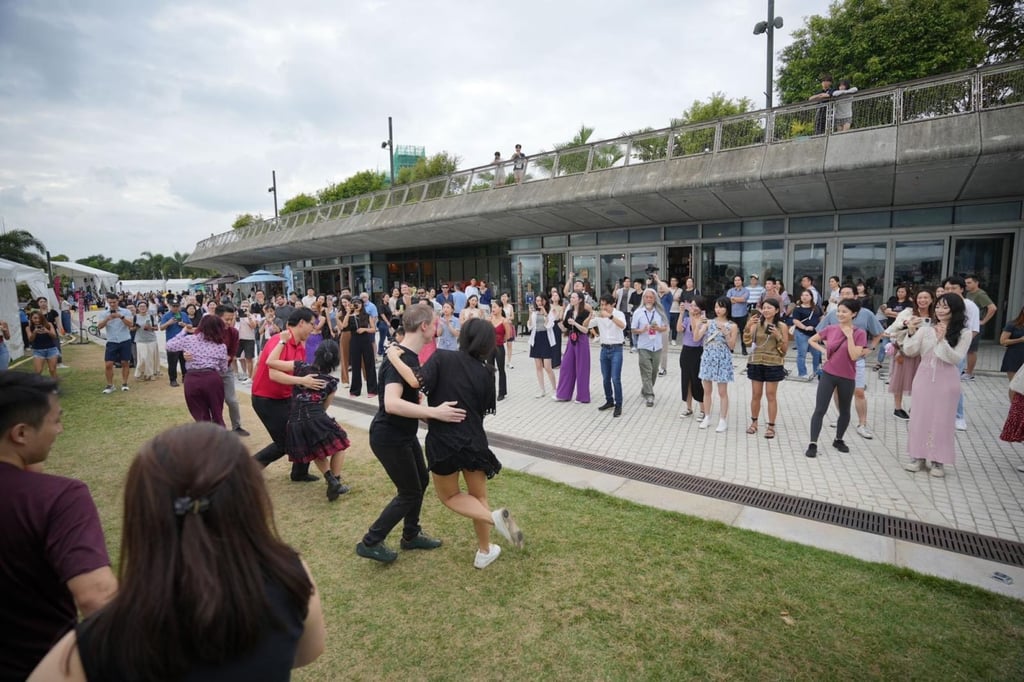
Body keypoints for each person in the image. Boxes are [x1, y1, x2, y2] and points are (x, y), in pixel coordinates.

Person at [29, 422, 325, 681]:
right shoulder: (289, 577)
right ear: (249, 500)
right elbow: (308, 652)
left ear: (142, 511)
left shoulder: (97, 643)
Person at [1, 373, 116, 680]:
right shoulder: (58, 498)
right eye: (55, 421)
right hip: (38, 666)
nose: (59, 430)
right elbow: (97, 597)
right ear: (21, 433)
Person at [386, 318, 524, 569]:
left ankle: (493, 521)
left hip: (443, 441)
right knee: (479, 496)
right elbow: (481, 412)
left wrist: (392, 355)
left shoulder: (442, 358)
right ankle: (484, 551)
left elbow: (416, 381)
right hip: (474, 441)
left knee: (450, 496)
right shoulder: (487, 372)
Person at [356, 304, 467, 564]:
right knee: (409, 492)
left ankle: (410, 534)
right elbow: (392, 404)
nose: (439, 325)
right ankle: (370, 541)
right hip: (388, 437)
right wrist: (434, 413)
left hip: (402, 435)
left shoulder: (406, 355)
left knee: (420, 482)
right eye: (436, 321)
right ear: (424, 327)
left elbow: (412, 390)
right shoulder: (400, 358)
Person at [266, 337, 351, 500]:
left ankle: (331, 481)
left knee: (315, 449)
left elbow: (271, 361)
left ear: (317, 354)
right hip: (316, 416)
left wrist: (282, 341)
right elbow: (324, 407)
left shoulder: (300, 367)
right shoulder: (331, 382)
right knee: (341, 443)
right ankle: (336, 481)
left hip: (294, 422)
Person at [901, 294, 972, 477]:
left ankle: (938, 461)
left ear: (955, 310)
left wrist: (943, 340)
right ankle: (918, 456)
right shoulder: (926, 330)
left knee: (942, 420)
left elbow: (955, 358)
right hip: (923, 377)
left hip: (947, 380)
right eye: (938, 306)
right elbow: (910, 350)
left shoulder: (965, 333)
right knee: (919, 417)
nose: (939, 310)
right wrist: (910, 332)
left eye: (945, 307)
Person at [252, 309, 323, 483]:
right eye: (311, 325)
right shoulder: (279, 341)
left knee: (302, 432)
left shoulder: (300, 345)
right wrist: (302, 380)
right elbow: (273, 375)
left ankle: (299, 473)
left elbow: (298, 371)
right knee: (285, 443)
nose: (313, 329)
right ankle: (248, 468)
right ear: (301, 323)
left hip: (286, 396)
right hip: (266, 399)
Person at [816, 285, 885, 439]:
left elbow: (878, 333)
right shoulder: (834, 313)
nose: (845, 296)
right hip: (835, 362)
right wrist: (828, 348)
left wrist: (871, 348)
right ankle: (842, 417)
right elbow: (820, 332)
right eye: (842, 293)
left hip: (856, 360)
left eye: (848, 293)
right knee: (836, 392)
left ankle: (862, 424)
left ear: (855, 296)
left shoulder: (866, 314)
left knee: (859, 391)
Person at [805, 299, 869, 458]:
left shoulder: (859, 333)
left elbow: (854, 356)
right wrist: (823, 350)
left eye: (844, 311)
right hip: (829, 374)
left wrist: (849, 337)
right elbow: (811, 340)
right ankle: (813, 443)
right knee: (820, 409)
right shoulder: (831, 328)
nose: (840, 314)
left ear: (853, 314)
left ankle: (839, 439)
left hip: (847, 376)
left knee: (845, 410)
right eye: (839, 311)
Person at [165, 314, 229, 426]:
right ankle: (221, 440)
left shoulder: (189, 340)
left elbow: (169, 346)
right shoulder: (221, 346)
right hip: (212, 379)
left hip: (192, 379)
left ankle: (205, 439)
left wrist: (183, 331)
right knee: (217, 414)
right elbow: (224, 368)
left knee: (200, 416)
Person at [743, 299, 789, 439]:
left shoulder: (781, 326)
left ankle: (771, 426)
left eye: (770, 308)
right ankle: (754, 422)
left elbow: (784, 350)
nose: (766, 310)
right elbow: (747, 343)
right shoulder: (756, 324)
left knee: (771, 395)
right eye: (764, 308)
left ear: (776, 310)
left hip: (774, 363)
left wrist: (778, 335)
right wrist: (747, 326)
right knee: (756, 394)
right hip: (756, 362)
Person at [886, 289, 935, 420]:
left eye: (926, 297)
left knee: (921, 381)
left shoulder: (935, 315)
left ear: (931, 300)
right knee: (900, 379)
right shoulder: (908, 312)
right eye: (920, 298)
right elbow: (895, 326)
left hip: (924, 353)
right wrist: (906, 323)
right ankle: (897, 408)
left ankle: (916, 407)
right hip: (905, 351)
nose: (922, 300)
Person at [695, 297, 737, 432]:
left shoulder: (733, 325)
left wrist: (725, 333)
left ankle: (723, 420)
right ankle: (707, 416)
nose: (718, 310)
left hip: (723, 357)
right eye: (716, 307)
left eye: (721, 307)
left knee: (722, 391)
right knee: (707, 390)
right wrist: (697, 325)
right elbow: (697, 338)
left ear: (727, 308)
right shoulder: (709, 322)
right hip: (708, 355)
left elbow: (732, 346)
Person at [552, 292, 592, 403]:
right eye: (571, 297)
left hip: (582, 340)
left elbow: (585, 330)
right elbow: (565, 329)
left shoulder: (585, 313)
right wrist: (557, 320)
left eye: (574, 297)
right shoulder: (569, 312)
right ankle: (563, 394)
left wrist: (575, 323)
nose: (572, 299)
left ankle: (582, 397)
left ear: (580, 299)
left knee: (582, 368)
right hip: (571, 340)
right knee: (566, 366)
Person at [590, 294, 627, 417]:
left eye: (606, 304)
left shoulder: (619, 314)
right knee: (605, 378)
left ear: (613, 304)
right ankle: (609, 401)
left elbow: (623, 326)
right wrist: (590, 315)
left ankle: (619, 404)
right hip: (604, 349)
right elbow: (587, 325)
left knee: (615, 378)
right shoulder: (600, 315)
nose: (603, 307)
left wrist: (610, 317)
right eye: (601, 304)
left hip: (616, 349)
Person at [632, 288, 668, 408]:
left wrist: (658, 328)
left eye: (651, 297)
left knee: (653, 372)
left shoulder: (659, 312)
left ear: (654, 299)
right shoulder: (638, 312)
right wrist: (642, 330)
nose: (648, 299)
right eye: (646, 297)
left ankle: (645, 389)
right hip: (644, 346)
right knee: (646, 371)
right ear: (643, 298)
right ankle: (650, 395)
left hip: (656, 346)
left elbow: (665, 327)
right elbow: (633, 330)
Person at [97, 292, 134, 394]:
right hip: (112, 341)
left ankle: (125, 383)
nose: (112, 304)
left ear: (118, 301)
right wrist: (107, 318)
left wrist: (120, 317)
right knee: (108, 364)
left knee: (125, 362)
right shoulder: (104, 313)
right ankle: (110, 385)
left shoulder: (125, 311)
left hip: (124, 339)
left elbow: (131, 324)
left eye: (114, 302)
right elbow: (99, 327)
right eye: (110, 302)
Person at [964, 274, 998, 380]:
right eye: (966, 283)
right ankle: (966, 371)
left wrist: (983, 321)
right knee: (966, 348)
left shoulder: (980, 294)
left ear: (976, 283)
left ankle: (969, 373)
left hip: (976, 325)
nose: (967, 285)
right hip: (969, 324)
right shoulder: (969, 294)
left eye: (969, 283)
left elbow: (992, 308)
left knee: (971, 350)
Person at [676, 297, 705, 419]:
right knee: (686, 380)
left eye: (696, 305)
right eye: (691, 305)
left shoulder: (703, 320)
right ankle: (688, 408)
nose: (693, 308)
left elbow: (695, 336)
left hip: (697, 352)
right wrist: (681, 314)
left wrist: (693, 317)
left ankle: (703, 409)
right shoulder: (687, 319)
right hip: (685, 351)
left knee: (696, 381)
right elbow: (678, 329)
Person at [346, 298, 378, 398]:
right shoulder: (350, 316)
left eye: (359, 303)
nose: (357, 305)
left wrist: (364, 329)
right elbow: (344, 326)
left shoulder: (367, 315)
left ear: (362, 305)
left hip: (366, 341)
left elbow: (373, 329)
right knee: (355, 366)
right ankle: (355, 391)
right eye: (355, 303)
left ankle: (372, 390)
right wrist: (348, 313)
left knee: (370, 364)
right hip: (354, 341)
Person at [876, 284, 913, 370]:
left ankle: (897, 365)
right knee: (883, 345)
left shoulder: (909, 303)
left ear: (906, 293)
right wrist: (900, 315)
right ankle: (879, 362)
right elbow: (887, 312)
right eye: (899, 291)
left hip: (901, 330)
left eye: (902, 292)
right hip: (890, 327)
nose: (900, 293)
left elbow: (907, 316)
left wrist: (894, 313)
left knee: (899, 348)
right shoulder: (893, 300)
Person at [528, 294, 558, 398]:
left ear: (545, 301)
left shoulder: (551, 311)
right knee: (538, 366)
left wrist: (545, 314)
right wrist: (530, 315)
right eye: (537, 301)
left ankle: (555, 389)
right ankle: (542, 390)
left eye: (540, 300)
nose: (538, 303)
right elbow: (530, 326)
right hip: (536, 338)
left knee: (548, 367)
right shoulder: (534, 312)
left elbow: (549, 325)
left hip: (546, 339)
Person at [791, 289, 823, 381]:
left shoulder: (816, 308)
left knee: (817, 353)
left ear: (811, 297)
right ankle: (802, 373)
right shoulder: (798, 308)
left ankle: (817, 372)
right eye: (802, 295)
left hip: (814, 334)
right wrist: (805, 327)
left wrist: (820, 329)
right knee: (802, 354)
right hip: (802, 333)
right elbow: (795, 321)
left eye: (807, 295)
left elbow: (821, 317)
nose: (804, 297)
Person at [488, 300, 513, 400]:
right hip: (489, 347)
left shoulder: (504, 321)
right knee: (489, 369)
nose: (493, 309)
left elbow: (508, 335)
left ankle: (502, 392)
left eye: (495, 307)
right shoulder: (489, 319)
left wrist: (501, 340)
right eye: (492, 307)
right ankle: (490, 391)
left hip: (499, 347)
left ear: (500, 308)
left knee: (501, 369)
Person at [131, 301, 160, 381]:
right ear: (138, 308)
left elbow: (156, 328)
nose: (142, 308)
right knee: (142, 358)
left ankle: (150, 374)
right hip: (140, 340)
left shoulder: (151, 316)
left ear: (147, 308)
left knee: (151, 358)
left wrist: (150, 328)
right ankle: (139, 374)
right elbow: (131, 328)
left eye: (144, 306)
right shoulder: (135, 317)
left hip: (151, 339)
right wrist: (136, 327)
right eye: (141, 306)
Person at [26, 310, 59, 378]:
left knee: (52, 370)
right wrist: (35, 332)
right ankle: (37, 387)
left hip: (51, 349)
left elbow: (54, 336)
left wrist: (47, 331)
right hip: (38, 351)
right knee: (38, 371)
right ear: (31, 319)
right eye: (35, 318)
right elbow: (30, 339)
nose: (37, 320)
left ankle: (54, 386)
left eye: (39, 318)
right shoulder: (28, 328)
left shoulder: (49, 324)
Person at [1000, 306, 1024, 400]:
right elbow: (1003, 341)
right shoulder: (1013, 324)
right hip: (1013, 357)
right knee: (1014, 384)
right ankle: (1013, 408)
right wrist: (1020, 340)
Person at [726, 275, 750, 354]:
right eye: (735, 280)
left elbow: (743, 299)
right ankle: (731, 348)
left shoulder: (746, 290)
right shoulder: (730, 290)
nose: (737, 282)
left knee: (743, 332)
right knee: (731, 332)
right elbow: (728, 301)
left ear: (742, 281)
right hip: (732, 315)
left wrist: (734, 298)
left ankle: (744, 349)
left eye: (739, 280)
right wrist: (737, 299)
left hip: (742, 314)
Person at [549, 289, 564, 368]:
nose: (554, 297)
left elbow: (560, 317)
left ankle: (557, 362)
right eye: (553, 295)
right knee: (549, 343)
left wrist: (556, 314)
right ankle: (549, 361)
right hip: (549, 325)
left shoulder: (561, 307)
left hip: (556, 325)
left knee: (557, 343)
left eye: (556, 295)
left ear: (559, 298)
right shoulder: (548, 306)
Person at [501, 292, 515, 369]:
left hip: (509, 326)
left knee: (509, 344)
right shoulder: (498, 306)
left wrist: (507, 318)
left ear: (508, 298)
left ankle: (509, 361)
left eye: (505, 296)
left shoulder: (510, 306)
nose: (503, 298)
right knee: (500, 345)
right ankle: (501, 361)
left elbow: (512, 317)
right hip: (501, 326)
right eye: (502, 296)